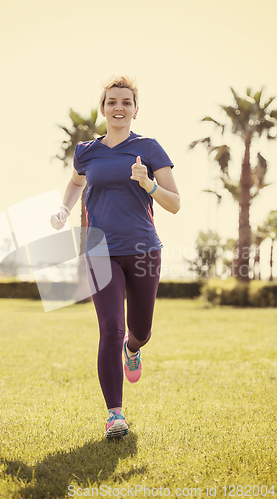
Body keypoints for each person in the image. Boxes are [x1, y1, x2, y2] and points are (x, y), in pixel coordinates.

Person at [50, 75, 180, 439]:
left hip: (142, 250)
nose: (118, 107)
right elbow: (77, 181)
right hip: (99, 250)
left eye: (126, 101)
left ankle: (133, 349)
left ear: (136, 109)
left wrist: (148, 183)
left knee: (140, 331)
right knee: (110, 326)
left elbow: (175, 204)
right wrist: (64, 209)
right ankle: (114, 415)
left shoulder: (150, 148)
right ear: (103, 108)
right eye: (112, 101)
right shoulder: (86, 151)